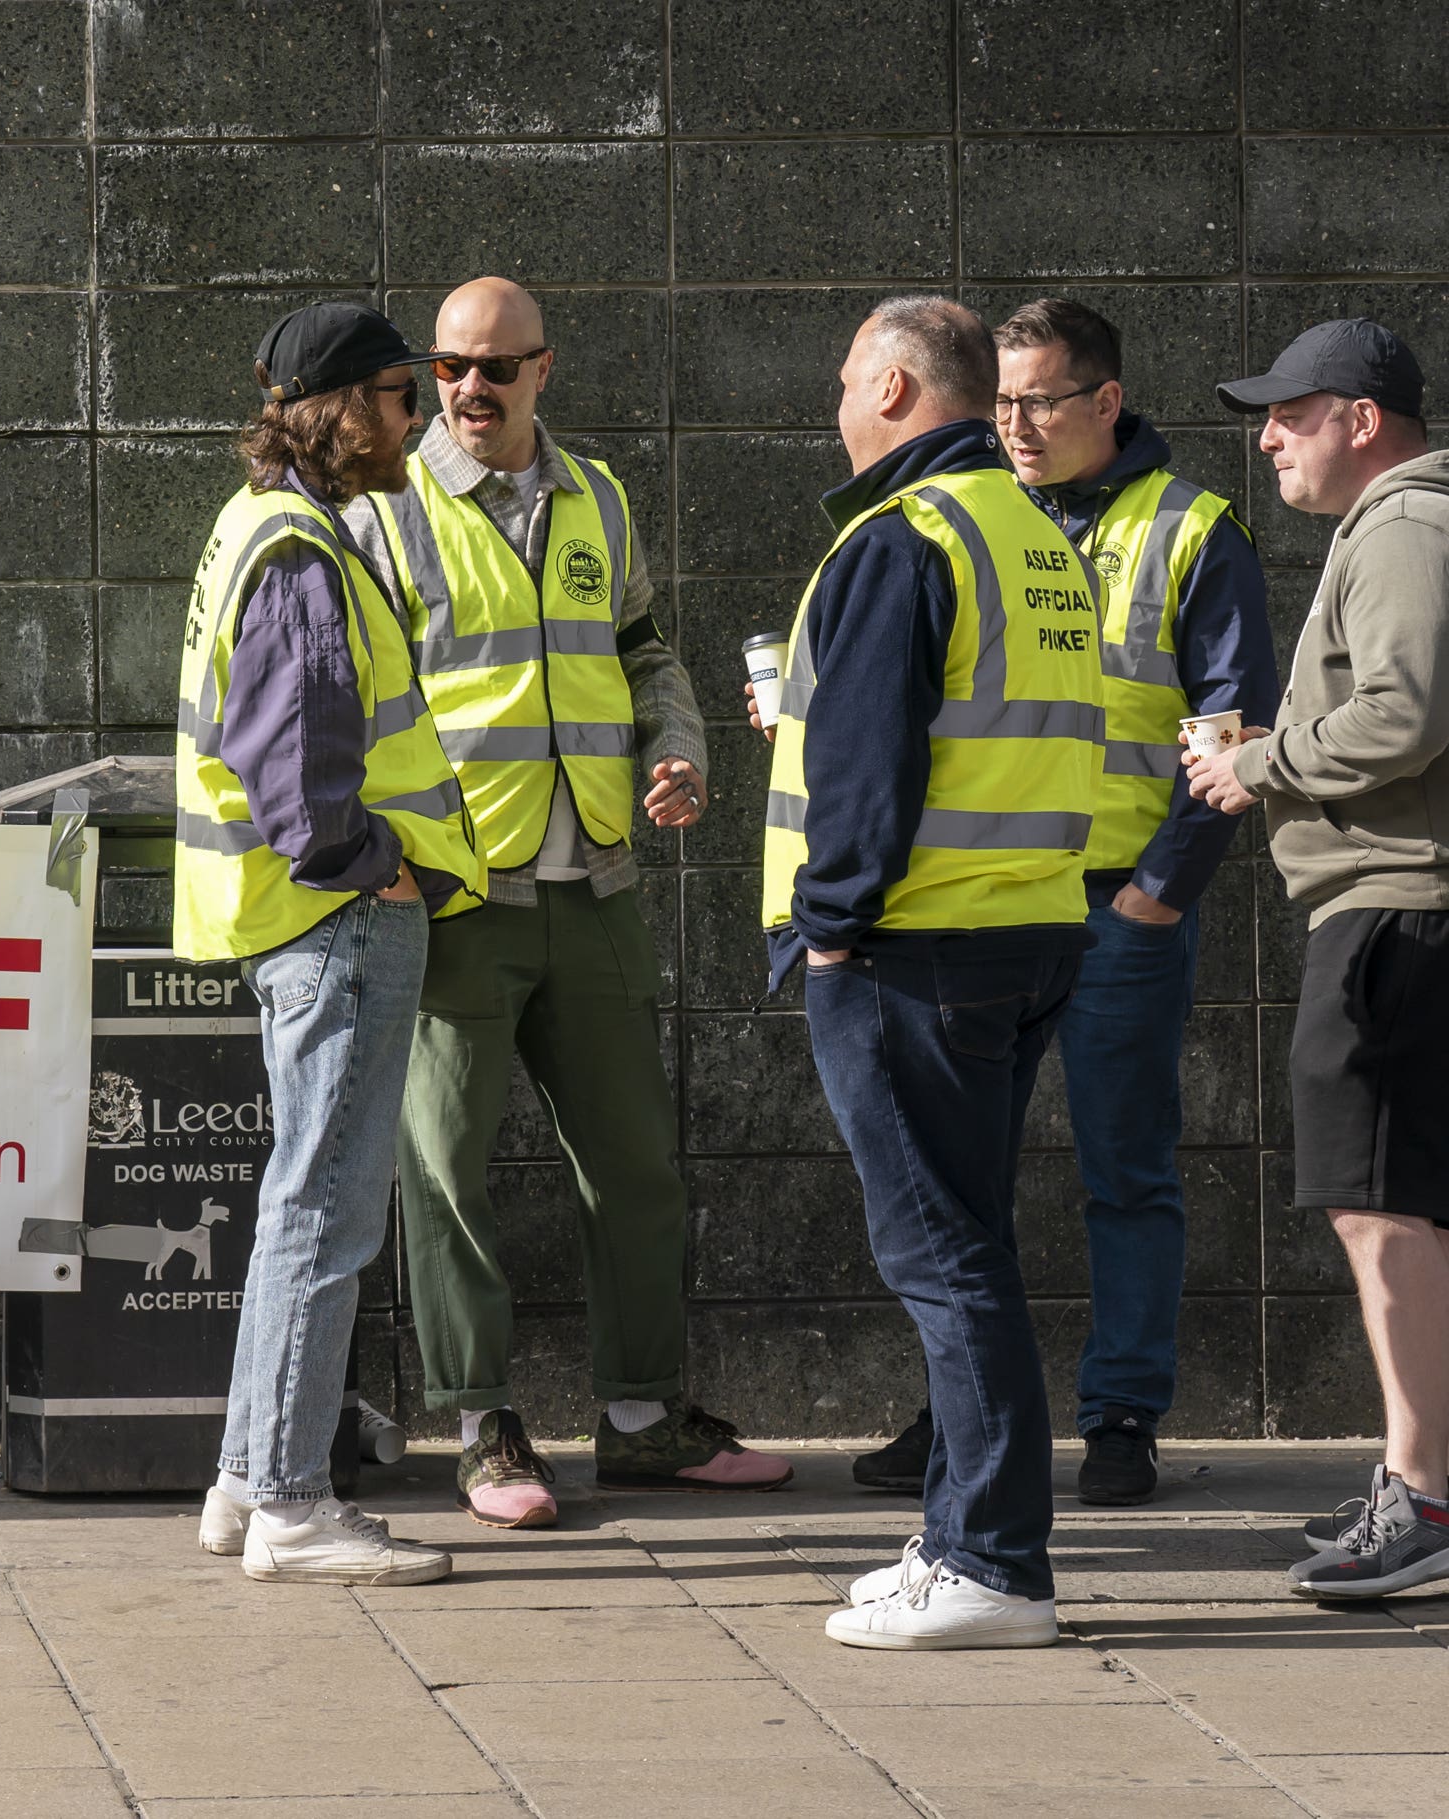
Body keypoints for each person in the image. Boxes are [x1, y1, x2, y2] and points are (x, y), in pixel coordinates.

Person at [339, 277, 791, 1529]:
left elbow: (641, 648)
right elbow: (357, 687)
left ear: (545, 370)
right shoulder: (385, 509)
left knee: (635, 1163)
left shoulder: (596, 496)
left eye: (493, 368)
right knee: (444, 1168)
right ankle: (483, 1427)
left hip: (591, 876)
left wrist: (681, 743)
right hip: (457, 889)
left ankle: (643, 1420)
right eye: (445, 369)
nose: (467, 391)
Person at [854, 299, 1274, 1507]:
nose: (1016, 425)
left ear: (1107, 401)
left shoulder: (1190, 527)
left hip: (1113, 908)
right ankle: (958, 1416)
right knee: (956, 1175)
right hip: (981, 898)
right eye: (1000, 402)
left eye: (1040, 400)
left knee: (1124, 1169)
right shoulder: (973, 514)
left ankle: (1122, 1416)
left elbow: (1231, 724)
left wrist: (1157, 895)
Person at [757, 296, 1104, 1650]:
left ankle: (992, 1558)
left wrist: (831, 921)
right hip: (1023, 929)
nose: (838, 400)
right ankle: (964, 1525)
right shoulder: (1035, 534)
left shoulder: (902, 537)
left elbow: (870, 765)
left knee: (944, 1254)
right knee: (971, 1241)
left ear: (897, 387)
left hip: (911, 946)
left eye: (849, 377)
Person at [174, 301, 486, 1586]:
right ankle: (298, 1501)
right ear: (345, 407)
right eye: (405, 392)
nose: (418, 418)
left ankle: (249, 1478)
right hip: (339, 919)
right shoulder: (302, 546)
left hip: (300, 923)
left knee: (296, 1202)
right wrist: (387, 872)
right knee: (326, 1210)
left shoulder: (257, 527)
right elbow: (297, 770)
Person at [1188, 319, 1449, 1600]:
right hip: (1402, 910)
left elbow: (1404, 712)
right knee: (1408, 1200)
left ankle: (1428, 1496)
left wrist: (1254, 764)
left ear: (1360, 418)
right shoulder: (1404, 523)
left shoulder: (1403, 522)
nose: (1268, 436)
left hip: (1392, 914)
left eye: (1291, 412)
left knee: (1376, 1199)